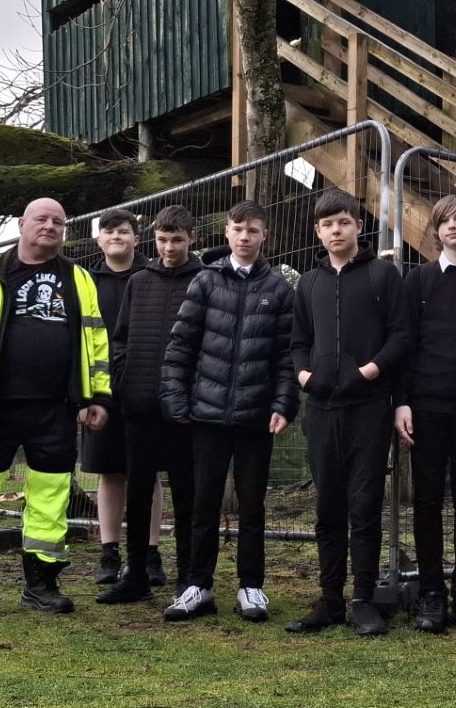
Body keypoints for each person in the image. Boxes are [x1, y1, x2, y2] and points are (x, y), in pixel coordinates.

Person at [0, 197, 113, 622]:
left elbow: (96, 343)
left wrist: (97, 397)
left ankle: (41, 587)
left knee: (51, 500)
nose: (50, 226)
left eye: (58, 221)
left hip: (56, 409)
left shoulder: (79, 278)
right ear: (21, 224)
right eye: (41, 219)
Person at [159, 200, 298, 623]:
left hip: (256, 417)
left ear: (263, 237)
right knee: (203, 503)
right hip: (206, 415)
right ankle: (196, 585)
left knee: (253, 505)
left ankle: (251, 587)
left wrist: (282, 405)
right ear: (226, 232)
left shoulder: (279, 290)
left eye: (253, 231)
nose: (244, 237)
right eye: (238, 229)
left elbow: (286, 358)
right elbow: (180, 346)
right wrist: (177, 401)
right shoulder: (205, 282)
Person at [285, 190, 411, 636]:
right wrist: (305, 377)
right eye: (326, 225)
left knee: (364, 505)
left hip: (369, 408)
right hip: (321, 409)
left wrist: (369, 372)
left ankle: (363, 600)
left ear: (359, 225)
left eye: (343, 222)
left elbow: (400, 336)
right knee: (328, 507)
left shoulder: (382, 275)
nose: (335, 231)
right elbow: (297, 342)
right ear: (317, 232)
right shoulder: (309, 283)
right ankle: (330, 599)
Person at [396, 194, 456, 635]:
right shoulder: (416, 281)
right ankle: (432, 594)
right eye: (444, 221)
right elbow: (405, 346)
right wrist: (401, 401)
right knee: (428, 502)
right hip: (427, 407)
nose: (453, 226)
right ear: (435, 230)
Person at [98, 205, 204, 605]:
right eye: (163, 240)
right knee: (137, 490)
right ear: (154, 240)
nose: (170, 247)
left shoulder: (204, 280)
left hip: (185, 410)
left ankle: (188, 578)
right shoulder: (139, 281)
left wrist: (193, 391)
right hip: (139, 404)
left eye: (177, 240)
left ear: (191, 239)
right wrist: (125, 378)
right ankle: (135, 574)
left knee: (186, 493)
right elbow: (121, 338)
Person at [83, 209, 166, 588]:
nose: (116, 236)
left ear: (137, 238)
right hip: (100, 394)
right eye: (109, 231)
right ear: (98, 240)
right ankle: (109, 551)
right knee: (109, 472)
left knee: (147, 473)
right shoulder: (84, 282)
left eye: (124, 230)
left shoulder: (152, 276)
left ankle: (150, 552)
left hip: (146, 390)